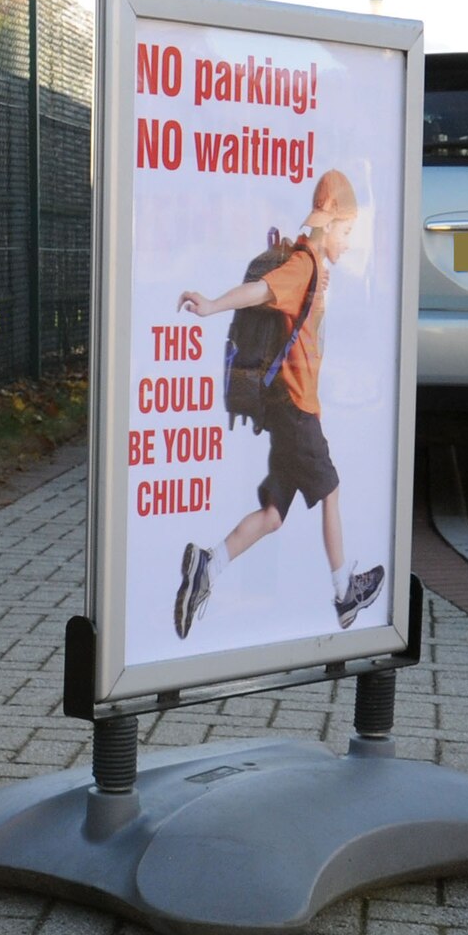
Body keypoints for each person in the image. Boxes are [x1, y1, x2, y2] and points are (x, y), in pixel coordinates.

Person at [171, 169, 385, 640]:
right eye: (347, 232)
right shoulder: (302, 267)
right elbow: (261, 291)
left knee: (273, 514)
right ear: (329, 227)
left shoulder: (313, 268)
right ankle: (344, 590)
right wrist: (211, 305)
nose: (350, 243)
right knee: (330, 490)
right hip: (295, 409)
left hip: (294, 407)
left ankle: (209, 565)